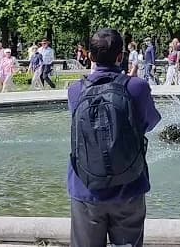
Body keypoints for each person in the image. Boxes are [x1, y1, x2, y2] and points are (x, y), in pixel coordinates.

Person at [67, 29, 161, 247]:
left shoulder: (75, 90)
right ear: (121, 56)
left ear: (90, 56)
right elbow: (151, 122)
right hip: (129, 185)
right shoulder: (137, 87)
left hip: (85, 187)